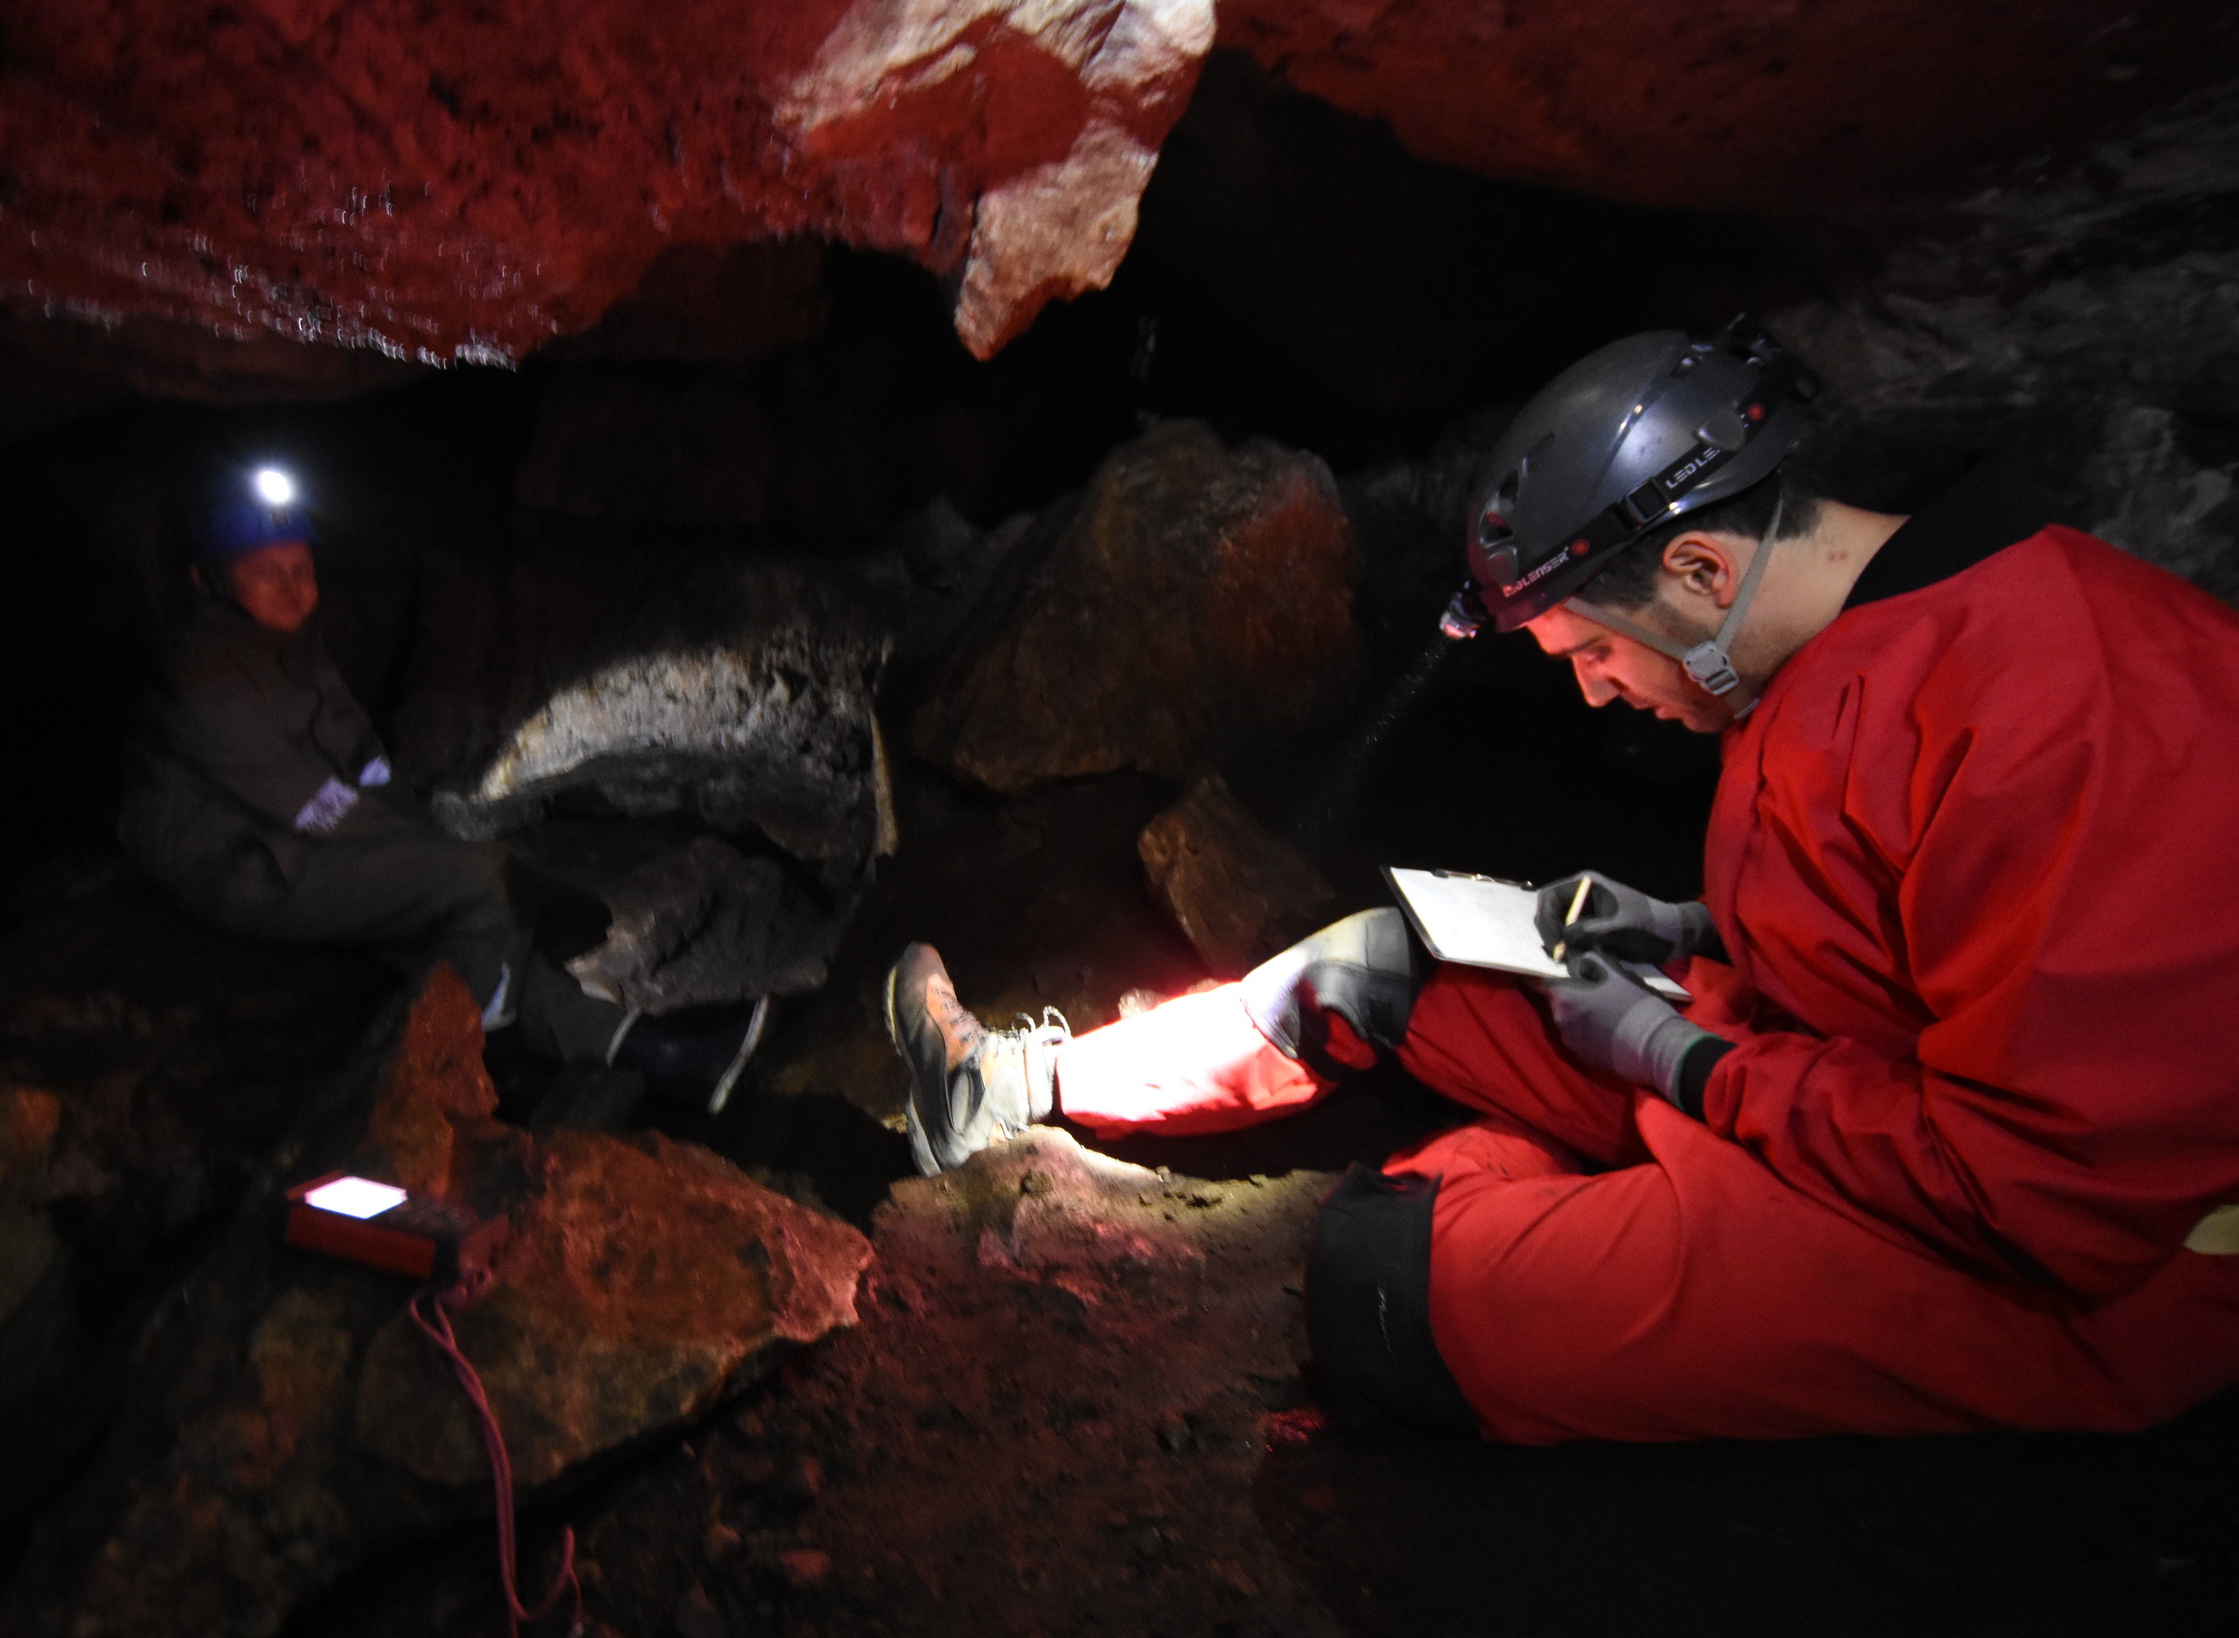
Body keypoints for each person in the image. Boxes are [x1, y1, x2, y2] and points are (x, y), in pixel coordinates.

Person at [883, 321, 2239, 1443]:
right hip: (1841, 1073)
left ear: (1701, 568)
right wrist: (1696, 930)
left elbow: (2034, 1195)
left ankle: (1576, 1189)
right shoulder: (1874, 638)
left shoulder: (2068, 716)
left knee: (1384, 1285)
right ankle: (1010, 1086)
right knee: (1379, 968)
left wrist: (1684, 1066)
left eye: (1595, 651)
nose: (1597, 690)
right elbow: (1915, 918)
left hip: (2078, 1268)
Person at [118, 465, 766, 1114]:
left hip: (303, 843)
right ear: (208, 580)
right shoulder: (206, 676)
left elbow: (363, 760)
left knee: (500, 912)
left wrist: (417, 830)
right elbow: (314, 809)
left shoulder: (288, 647)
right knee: (478, 882)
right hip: (251, 866)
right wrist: (426, 853)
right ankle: (489, 1065)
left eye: (301, 568)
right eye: (266, 571)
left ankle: (660, 1053)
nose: (292, 587)